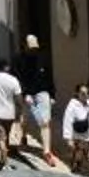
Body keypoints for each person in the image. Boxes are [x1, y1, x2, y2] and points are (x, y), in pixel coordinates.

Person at [14, 34, 54, 162]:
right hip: (27, 93)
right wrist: (25, 94)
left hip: (42, 92)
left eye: (35, 48)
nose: (33, 51)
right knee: (24, 119)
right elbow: (17, 79)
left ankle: (46, 151)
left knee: (45, 122)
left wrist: (52, 94)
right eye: (31, 48)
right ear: (25, 46)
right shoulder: (18, 60)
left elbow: (49, 77)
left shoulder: (43, 58)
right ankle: (23, 137)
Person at [0, 60, 28, 164]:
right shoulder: (13, 80)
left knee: (1, 138)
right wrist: (20, 113)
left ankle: (4, 159)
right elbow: (19, 100)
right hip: (10, 114)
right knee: (6, 135)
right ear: (7, 68)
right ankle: (6, 155)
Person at [59, 84, 89, 174]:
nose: (85, 95)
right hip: (79, 139)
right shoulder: (72, 106)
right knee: (78, 161)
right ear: (77, 94)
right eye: (82, 93)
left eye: (87, 93)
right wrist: (68, 138)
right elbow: (67, 121)